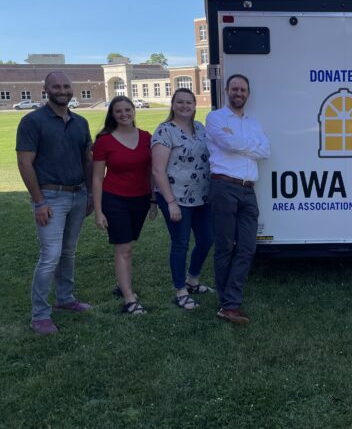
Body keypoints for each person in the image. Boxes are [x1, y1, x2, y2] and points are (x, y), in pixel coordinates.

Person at [16, 72, 93, 335]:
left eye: (66, 86)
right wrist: (39, 201)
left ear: (73, 89)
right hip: (50, 197)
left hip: (78, 194)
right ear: (46, 89)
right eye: (56, 86)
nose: (62, 90)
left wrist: (91, 194)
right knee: (50, 256)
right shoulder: (32, 121)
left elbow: (87, 160)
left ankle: (65, 298)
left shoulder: (80, 122)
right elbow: (25, 163)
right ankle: (40, 315)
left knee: (68, 252)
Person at [206, 74, 270, 324]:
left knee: (246, 248)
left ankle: (229, 300)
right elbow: (228, 143)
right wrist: (248, 145)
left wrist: (240, 143)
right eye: (235, 88)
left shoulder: (254, 123)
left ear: (248, 93)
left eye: (243, 89)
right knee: (224, 247)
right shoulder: (215, 118)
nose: (239, 93)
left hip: (248, 189)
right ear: (226, 91)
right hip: (223, 187)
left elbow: (266, 150)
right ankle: (229, 304)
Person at [92, 96, 157, 315]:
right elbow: (98, 179)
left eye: (127, 110)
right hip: (115, 199)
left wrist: (153, 200)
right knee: (124, 248)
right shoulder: (104, 141)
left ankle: (123, 284)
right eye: (118, 111)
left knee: (129, 245)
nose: (124, 114)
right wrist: (99, 211)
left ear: (133, 111)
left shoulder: (147, 137)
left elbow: (151, 173)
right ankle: (129, 298)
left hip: (140, 199)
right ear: (112, 114)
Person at [152, 88, 214, 310]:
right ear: (173, 104)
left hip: (202, 196)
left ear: (195, 105)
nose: (185, 106)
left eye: (189, 102)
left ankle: (193, 279)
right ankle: (180, 291)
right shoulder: (165, 131)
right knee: (180, 244)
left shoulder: (200, 128)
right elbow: (158, 170)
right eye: (180, 102)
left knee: (207, 239)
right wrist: (170, 202)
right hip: (176, 198)